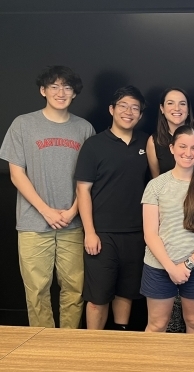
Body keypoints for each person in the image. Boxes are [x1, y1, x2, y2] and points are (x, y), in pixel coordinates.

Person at [0, 66, 95, 328]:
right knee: (37, 291)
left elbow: (88, 178)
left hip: (72, 223)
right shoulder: (23, 124)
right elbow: (16, 174)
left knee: (74, 290)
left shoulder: (84, 128)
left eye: (67, 87)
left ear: (74, 93)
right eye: (54, 86)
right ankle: (42, 347)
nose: (60, 92)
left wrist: (74, 210)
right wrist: (46, 211)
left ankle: (68, 347)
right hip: (33, 223)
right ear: (43, 91)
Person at [75, 86, 149, 331]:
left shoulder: (145, 143)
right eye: (123, 106)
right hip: (102, 235)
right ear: (111, 110)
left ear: (140, 114)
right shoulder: (93, 145)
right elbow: (83, 190)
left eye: (135, 108)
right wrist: (90, 232)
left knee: (126, 294)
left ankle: (121, 343)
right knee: (97, 298)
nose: (129, 112)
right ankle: (92, 349)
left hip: (137, 234)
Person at [145, 87, 194, 333]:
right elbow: (150, 233)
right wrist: (171, 267)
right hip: (159, 265)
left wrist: (188, 265)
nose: (189, 153)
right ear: (171, 148)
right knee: (157, 324)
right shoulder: (156, 186)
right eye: (182, 147)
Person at [147, 87, 194, 177]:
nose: (177, 108)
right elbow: (156, 179)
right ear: (162, 108)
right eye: (170, 103)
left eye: (182, 104)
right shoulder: (153, 141)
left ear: (188, 109)